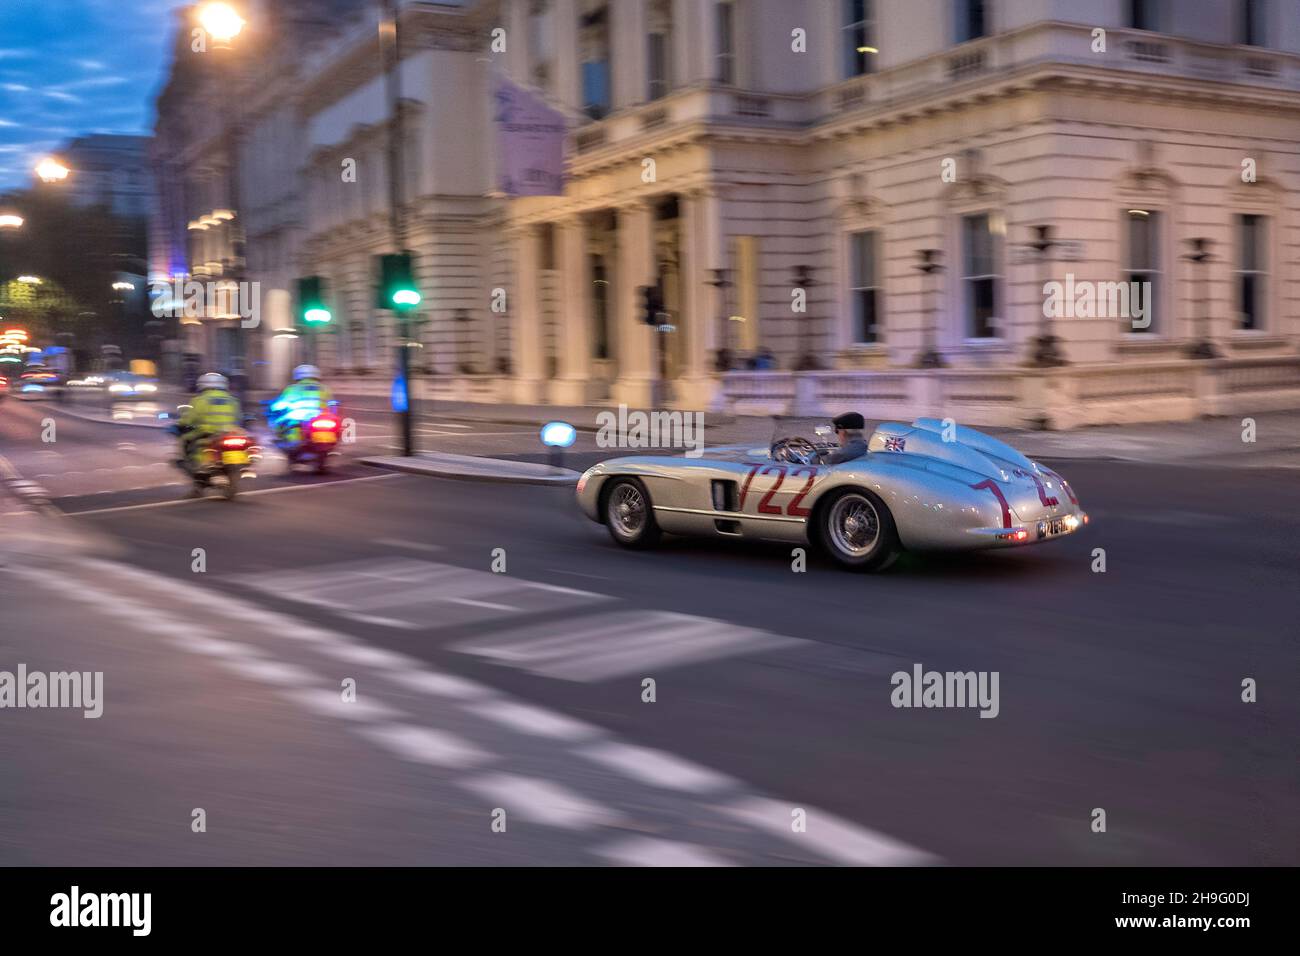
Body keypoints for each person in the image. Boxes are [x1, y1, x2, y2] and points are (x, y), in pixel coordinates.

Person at [177, 372, 243, 474]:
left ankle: (196, 466)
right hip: (229, 432)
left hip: (206, 432)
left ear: (202, 384)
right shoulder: (233, 400)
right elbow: (239, 417)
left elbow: (190, 418)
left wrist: (181, 423)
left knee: (187, 439)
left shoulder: (199, 400)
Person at [267, 365, 335, 439]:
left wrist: (273, 407)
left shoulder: (292, 389)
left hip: (297, 416)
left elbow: (281, 404)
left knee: (279, 422)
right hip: (320, 416)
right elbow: (332, 404)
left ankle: (282, 439)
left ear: (297, 376)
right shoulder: (325, 388)